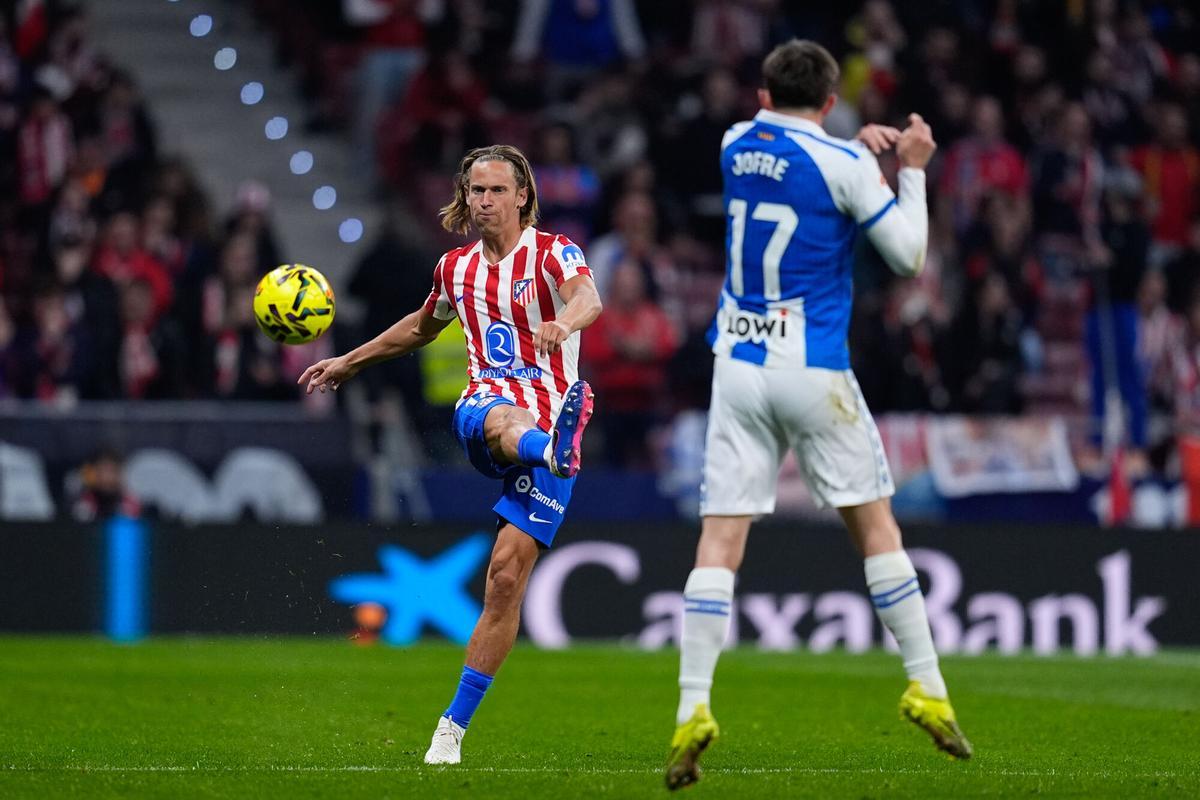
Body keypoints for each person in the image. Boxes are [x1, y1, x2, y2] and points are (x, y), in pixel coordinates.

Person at [664, 40, 972, 791]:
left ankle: (692, 707)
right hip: (813, 368)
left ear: (763, 94)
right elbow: (904, 256)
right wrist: (912, 168)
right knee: (876, 530)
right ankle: (926, 685)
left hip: (737, 367)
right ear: (832, 100)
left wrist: (857, 152)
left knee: (720, 541)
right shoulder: (844, 165)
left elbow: (790, 143)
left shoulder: (739, 143)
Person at [297, 144, 602, 765]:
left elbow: (588, 299)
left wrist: (563, 326)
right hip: (486, 409)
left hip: (553, 411)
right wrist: (349, 362)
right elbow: (420, 326)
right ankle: (551, 449)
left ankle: (450, 732)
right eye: (476, 192)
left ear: (522, 196)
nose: (484, 202)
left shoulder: (553, 251)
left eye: (496, 191)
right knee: (500, 414)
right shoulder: (455, 269)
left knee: (505, 578)